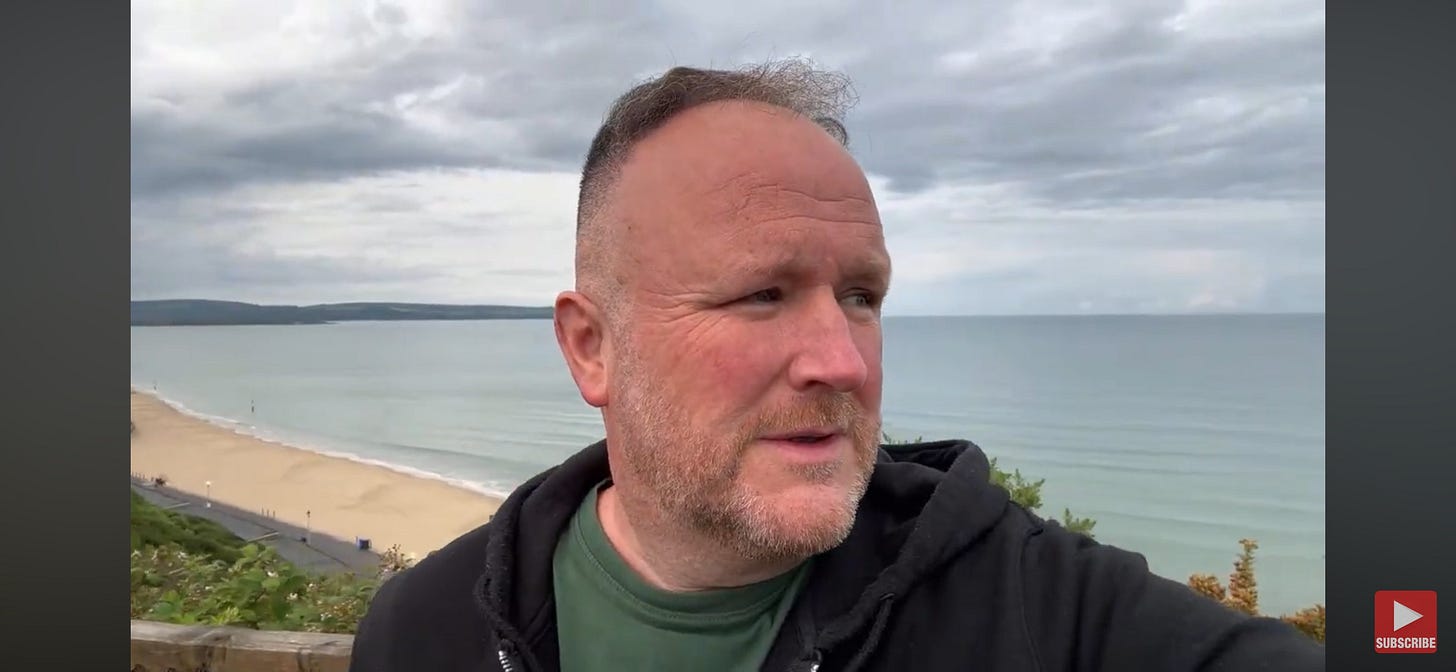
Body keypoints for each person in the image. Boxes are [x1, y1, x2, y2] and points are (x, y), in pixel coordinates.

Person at [348, 59, 1324, 672]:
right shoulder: (425, 631)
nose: (843, 360)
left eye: (861, 295)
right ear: (591, 347)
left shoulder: (1036, 608)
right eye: (761, 294)